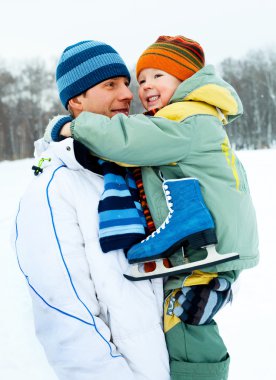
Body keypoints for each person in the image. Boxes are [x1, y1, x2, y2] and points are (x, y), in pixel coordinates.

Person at [47, 35, 259, 380]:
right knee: (187, 323)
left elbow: (126, 140)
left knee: (186, 326)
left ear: (186, 80)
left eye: (156, 76)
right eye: (139, 79)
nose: (139, 90)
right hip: (200, 249)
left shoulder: (183, 119)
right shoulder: (58, 183)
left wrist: (73, 127)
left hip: (206, 247)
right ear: (77, 98)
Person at [13, 40, 170, 380]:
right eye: (110, 85)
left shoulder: (138, 171)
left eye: (126, 83)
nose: (128, 94)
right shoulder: (55, 187)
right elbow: (65, 317)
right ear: (76, 101)